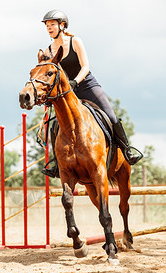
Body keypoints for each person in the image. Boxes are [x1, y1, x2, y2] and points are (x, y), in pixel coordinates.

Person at [41, 9, 143, 178]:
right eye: (47, 26)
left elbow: (86, 66)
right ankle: (57, 164)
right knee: (54, 126)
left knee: (110, 116)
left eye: (52, 24)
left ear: (62, 25)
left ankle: (127, 150)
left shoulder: (75, 41)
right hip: (67, 94)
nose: (49, 28)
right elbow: (47, 75)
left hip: (87, 85)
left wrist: (75, 82)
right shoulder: (48, 51)